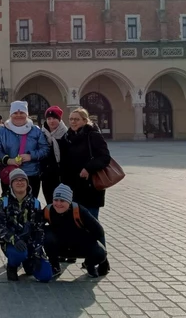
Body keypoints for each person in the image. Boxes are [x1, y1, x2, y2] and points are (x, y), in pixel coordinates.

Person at [60, 107, 112, 277]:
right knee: (80, 226)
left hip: (90, 188)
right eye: (71, 119)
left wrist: (88, 168)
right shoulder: (68, 137)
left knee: (93, 226)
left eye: (77, 119)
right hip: (74, 189)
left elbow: (105, 157)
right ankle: (89, 260)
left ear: (85, 120)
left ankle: (102, 262)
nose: (73, 121)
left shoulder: (93, 135)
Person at [0, 168, 52, 282]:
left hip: (31, 243)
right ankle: (12, 266)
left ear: (27, 183)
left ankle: (28, 262)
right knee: (19, 253)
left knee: (45, 276)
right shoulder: (3, 202)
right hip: (12, 243)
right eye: (16, 180)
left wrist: (37, 252)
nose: (20, 182)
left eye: (22, 180)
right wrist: (14, 239)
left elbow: (39, 229)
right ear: (11, 184)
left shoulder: (35, 202)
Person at [41, 184, 107, 279]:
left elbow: (99, 231)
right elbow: (36, 226)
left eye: (62, 200)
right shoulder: (48, 210)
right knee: (46, 233)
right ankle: (54, 266)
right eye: (56, 200)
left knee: (100, 253)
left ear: (69, 201)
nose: (58, 204)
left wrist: (87, 240)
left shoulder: (79, 211)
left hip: (79, 246)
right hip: (60, 247)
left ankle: (89, 264)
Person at [0, 100, 49, 196]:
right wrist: (8, 160)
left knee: (31, 205)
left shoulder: (35, 131)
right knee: (8, 204)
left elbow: (45, 149)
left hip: (31, 174)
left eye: (22, 113)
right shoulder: (2, 131)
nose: (18, 115)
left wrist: (31, 156)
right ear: (10, 115)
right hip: (10, 174)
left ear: (27, 114)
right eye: (15, 113)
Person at [40, 106, 68, 205]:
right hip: (47, 175)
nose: (51, 121)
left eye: (54, 118)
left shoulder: (66, 135)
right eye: (49, 118)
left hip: (62, 175)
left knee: (62, 203)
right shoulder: (42, 134)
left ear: (60, 120)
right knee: (49, 203)